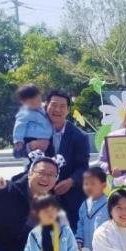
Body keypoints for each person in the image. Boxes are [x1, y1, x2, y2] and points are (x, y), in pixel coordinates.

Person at [38, 90, 89, 227]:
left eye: (62, 106)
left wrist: (71, 181)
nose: (57, 110)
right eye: (54, 105)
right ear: (46, 106)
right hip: (42, 197)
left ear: (68, 110)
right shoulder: (35, 132)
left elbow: (83, 167)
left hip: (70, 198)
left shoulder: (80, 136)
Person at [74, 166, 109, 251]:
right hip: (88, 249)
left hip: (104, 248)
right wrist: (79, 239)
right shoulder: (84, 205)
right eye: (86, 183)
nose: (88, 187)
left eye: (93, 183)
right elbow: (81, 223)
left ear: (103, 185)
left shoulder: (109, 203)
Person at [12, 84, 52, 158]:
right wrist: (18, 141)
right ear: (23, 102)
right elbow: (19, 126)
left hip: (46, 138)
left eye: (38, 101)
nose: (36, 104)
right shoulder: (24, 113)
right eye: (32, 103)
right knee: (35, 158)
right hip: (32, 138)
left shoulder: (43, 108)